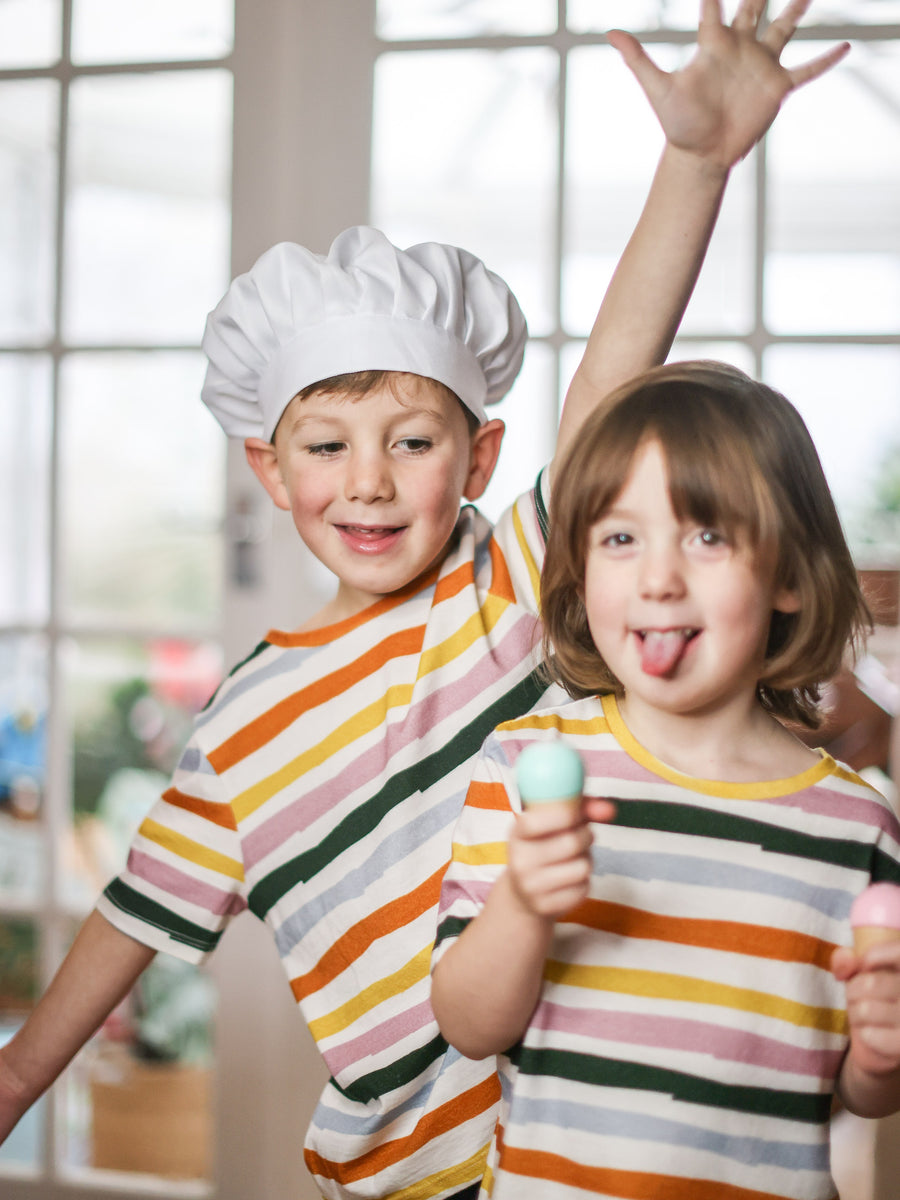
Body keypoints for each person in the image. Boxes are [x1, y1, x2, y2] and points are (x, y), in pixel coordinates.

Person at [0, 4, 850, 1197]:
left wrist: (695, 162)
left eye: (410, 440)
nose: (368, 481)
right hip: (407, 1171)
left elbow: (613, 378)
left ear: (481, 459)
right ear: (270, 471)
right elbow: (136, 918)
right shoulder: (243, 726)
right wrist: (14, 1082)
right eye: (327, 444)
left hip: (587, 1138)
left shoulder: (508, 582)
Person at [430, 359, 900, 1200]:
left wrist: (881, 1049)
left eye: (708, 536)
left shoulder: (856, 825)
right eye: (620, 537)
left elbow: (857, 1093)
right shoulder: (527, 766)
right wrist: (525, 905)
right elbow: (468, 1027)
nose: (657, 578)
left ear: (790, 574)